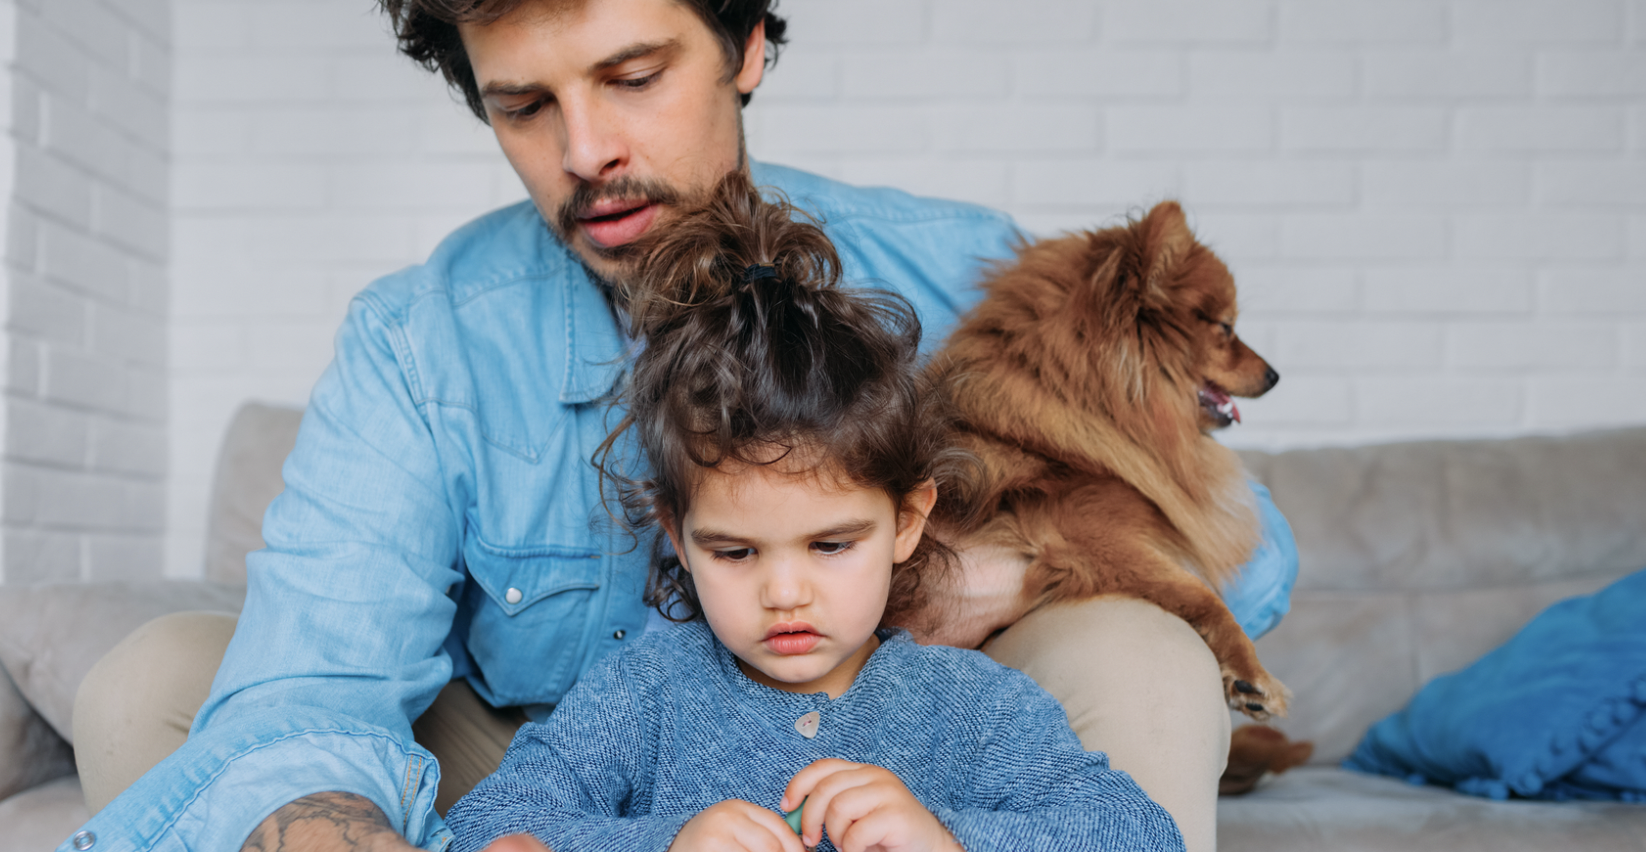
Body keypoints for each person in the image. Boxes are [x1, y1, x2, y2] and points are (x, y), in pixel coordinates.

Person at [65, 2, 1297, 852]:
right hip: (572, 784)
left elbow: (1257, 553)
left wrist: (986, 566)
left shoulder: (947, 266)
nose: (586, 152)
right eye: (524, 107)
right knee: (153, 685)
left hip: (895, 762)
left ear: (746, 47)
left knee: (1141, 647)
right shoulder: (421, 340)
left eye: (632, 77)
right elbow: (311, 691)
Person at [443, 172, 1185, 852]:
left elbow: (1139, 833)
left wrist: (947, 840)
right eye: (735, 553)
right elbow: (492, 823)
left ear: (907, 521)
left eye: (830, 546)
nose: (785, 593)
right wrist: (663, 845)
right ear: (678, 535)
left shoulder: (969, 708)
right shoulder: (644, 696)